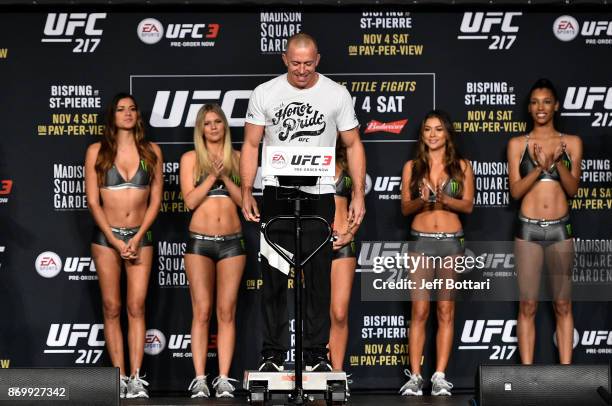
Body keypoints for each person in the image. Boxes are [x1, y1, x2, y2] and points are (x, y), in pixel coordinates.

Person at [240, 32, 366, 373]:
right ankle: (272, 356)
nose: (301, 70)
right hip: (276, 195)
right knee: (275, 280)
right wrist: (246, 190)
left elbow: (353, 145)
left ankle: (315, 357)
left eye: (308, 63)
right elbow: (251, 144)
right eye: (295, 63)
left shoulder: (336, 94)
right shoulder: (265, 93)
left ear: (318, 59)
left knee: (318, 280)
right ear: (284, 59)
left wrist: (357, 193)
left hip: (319, 195)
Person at [85, 93, 163, 399]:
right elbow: (93, 200)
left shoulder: (152, 151)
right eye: (121, 109)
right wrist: (116, 240)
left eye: (132, 109)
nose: (127, 114)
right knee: (112, 307)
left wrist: (136, 235)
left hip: (140, 236)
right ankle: (117, 376)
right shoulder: (97, 151)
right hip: (107, 238)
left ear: (138, 116)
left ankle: (135, 377)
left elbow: (156, 200)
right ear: (112, 116)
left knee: (136, 306)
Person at [399, 110, 474, 396]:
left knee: (445, 309)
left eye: (438, 129)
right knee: (419, 310)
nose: (432, 135)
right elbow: (405, 208)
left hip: (451, 241)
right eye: (428, 129)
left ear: (447, 134)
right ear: (422, 135)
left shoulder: (462, 166)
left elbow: (468, 206)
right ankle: (415, 376)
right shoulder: (412, 167)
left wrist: (444, 199)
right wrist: (422, 200)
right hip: (420, 241)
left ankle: (439, 376)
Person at [507, 79, 582, 365]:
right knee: (527, 304)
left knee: (563, 303)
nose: (541, 107)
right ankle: (526, 376)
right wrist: (539, 166)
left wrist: (557, 164)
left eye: (547, 101)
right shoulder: (517, 144)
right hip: (527, 228)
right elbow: (515, 191)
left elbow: (573, 190)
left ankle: (567, 374)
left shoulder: (572, 143)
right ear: (529, 107)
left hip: (561, 229)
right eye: (535, 102)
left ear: (556, 106)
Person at [180, 104, 245, 398]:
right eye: (208, 123)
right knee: (202, 311)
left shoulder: (238, 157)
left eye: (218, 122)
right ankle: (200, 379)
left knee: (226, 311)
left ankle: (222, 378)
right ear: (201, 129)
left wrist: (225, 176)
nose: (214, 127)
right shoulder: (190, 159)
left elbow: (245, 201)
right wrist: (210, 176)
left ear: (225, 126)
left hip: (232, 241)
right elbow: (190, 201)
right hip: (199, 241)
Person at [329, 141, 359, 372]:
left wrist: (350, 233)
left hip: (344, 242)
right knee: (315, 314)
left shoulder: (350, 158)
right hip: (313, 245)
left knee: (339, 313)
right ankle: (317, 369)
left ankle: (336, 375)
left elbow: (359, 203)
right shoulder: (305, 153)